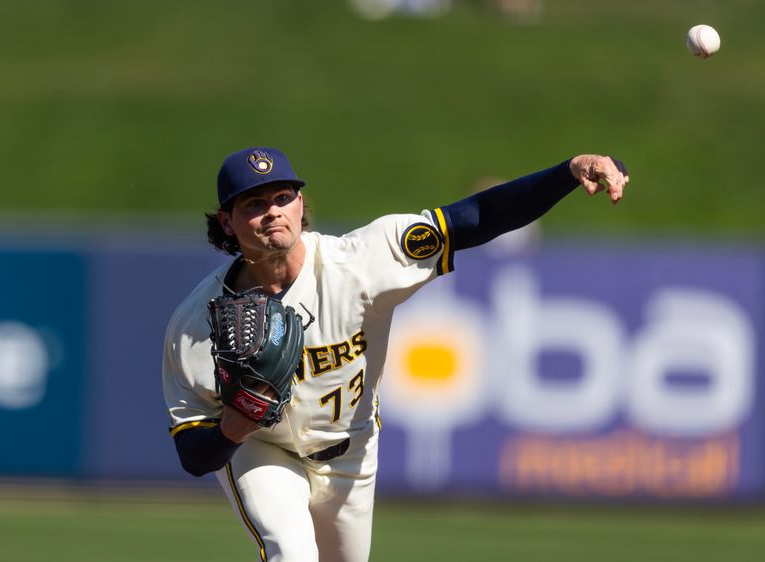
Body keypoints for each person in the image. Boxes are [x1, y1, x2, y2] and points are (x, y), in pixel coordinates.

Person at [162, 146, 629, 561]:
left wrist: (569, 172)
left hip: (351, 453)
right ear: (227, 221)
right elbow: (194, 455)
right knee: (291, 551)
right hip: (264, 450)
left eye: (284, 197)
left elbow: (475, 218)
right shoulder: (195, 325)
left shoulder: (360, 263)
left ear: (301, 203)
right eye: (254, 203)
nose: (273, 212)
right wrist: (236, 424)